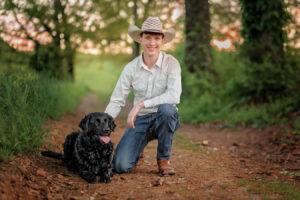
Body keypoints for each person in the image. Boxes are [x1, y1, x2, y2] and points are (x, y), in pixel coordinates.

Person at [105, 16, 181, 176]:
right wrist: (102, 126)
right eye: (148, 37)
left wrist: (141, 104)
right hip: (140, 121)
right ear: (140, 38)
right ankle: (137, 151)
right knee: (120, 165)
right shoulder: (131, 68)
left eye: (156, 38)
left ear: (163, 40)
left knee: (167, 110)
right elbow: (117, 100)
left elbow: (174, 95)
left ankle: (163, 160)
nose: (152, 43)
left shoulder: (171, 63)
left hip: (164, 118)